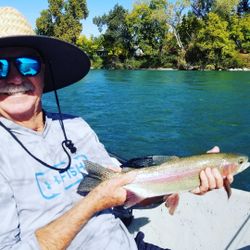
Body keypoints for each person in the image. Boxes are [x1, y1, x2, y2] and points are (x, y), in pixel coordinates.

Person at [0, 6, 233, 250]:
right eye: (0, 67)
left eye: (27, 65)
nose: (15, 78)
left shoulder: (76, 126)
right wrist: (93, 202)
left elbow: (125, 198)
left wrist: (182, 181)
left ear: (43, 72)